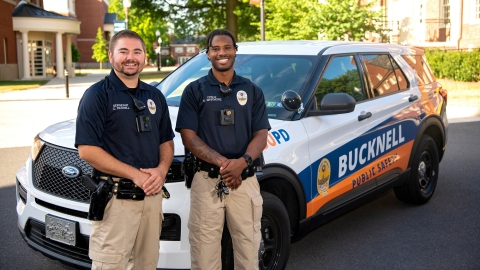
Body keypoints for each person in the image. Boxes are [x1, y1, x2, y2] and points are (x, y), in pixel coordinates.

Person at [75, 30, 174, 269]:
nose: (131, 57)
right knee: (111, 265)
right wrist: (136, 175)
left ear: (145, 57)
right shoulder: (97, 96)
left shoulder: (155, 96)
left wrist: (161, 170)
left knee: (146, 264)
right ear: (111, 56)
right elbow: (87, 150)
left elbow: (166, 141)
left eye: (137, 52)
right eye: (124, 51)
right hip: (116, 201)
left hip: (151, 200)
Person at [175, 29, 271, 269]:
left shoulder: (252, 90)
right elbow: (188, 136)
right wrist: (225, 164)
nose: (222, 53)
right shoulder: (194, 90)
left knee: (248, 252)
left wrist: (243, 162)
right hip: (207, 181)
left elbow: (261, 134)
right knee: (204, 254)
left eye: (227, 47)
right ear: (207, 54)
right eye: (215, 49)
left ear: (235, 51)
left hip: (245, 180)